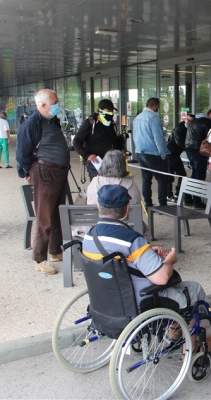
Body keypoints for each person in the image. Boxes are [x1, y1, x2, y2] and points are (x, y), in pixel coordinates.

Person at [82, 184, 206, 310]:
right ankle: (186, 329)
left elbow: (114, 257)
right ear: (127, 209)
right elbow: (162, 278)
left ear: (98, 208)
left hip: (107, 302)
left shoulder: (89, 236)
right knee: (195, 288)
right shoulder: (132, 240)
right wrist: (170, 260)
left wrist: (147, 253)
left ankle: (174, 327)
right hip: (139, 303)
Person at [16, 88, 70, 275]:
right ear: (44, 105)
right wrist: (25, 171)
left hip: (58, 173)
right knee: (44, 216)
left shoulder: (52, 121)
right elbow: (22, 152)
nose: (58, 105)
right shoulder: (32, 123)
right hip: (45, 172)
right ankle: (40, 259)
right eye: (55, 102)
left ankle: (55, 250)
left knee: (56, 213)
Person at [75, 150, 149, 237]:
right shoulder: (131, 184)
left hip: (95, 229)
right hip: (126, 229)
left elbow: (89, 202)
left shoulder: (94, 182)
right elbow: (136, 203)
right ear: (122, 165)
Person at [73, 99, 126, 181]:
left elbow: (115, 140)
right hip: (96, 162)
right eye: (107, 110)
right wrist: (87, 155)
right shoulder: (90, 123)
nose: (110, 113)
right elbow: (76, 141)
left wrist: (121, 149)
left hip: (112, 161)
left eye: (111, 110)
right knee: (98, 185)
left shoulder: (111, 124)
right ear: (99, 110)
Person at [132, 98, 170, 207]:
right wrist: (163, 153)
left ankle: (148, 203)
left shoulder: (137, 118)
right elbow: (158, 138)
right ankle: (162, 204)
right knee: (162, 178)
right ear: (154, 105)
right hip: (153, 153)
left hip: (140, 152)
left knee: (146, 178)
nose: (158, 109)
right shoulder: (154, 118)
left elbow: (135, 136)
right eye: (157, 106)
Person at [184, 113, 211, 209]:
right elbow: (209, 137)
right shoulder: (206, 122)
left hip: (189, 149)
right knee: (199, 176)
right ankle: (197, 202)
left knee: (194, 174)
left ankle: (187, 198)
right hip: (199, 151)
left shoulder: (193, 122)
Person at [166, 114, 193, 203]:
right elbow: (179, 143)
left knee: (182, 174)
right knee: (170, 175)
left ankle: (178, 193)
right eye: (188, 120)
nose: (189, 122)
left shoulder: (190, 129)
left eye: (191, 121)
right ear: (185, 120)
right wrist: (190, 147)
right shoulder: (179, 128)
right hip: (170, 153)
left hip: (176, 154)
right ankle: (168, 195)